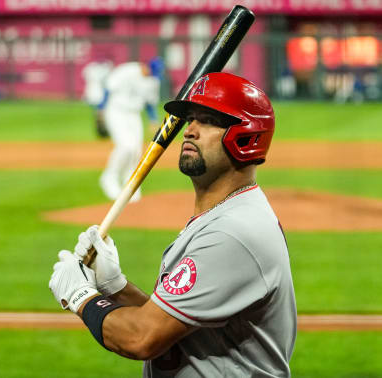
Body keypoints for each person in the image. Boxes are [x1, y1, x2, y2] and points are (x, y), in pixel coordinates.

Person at [49, 72, 297, 377]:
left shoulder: (232, 234)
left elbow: (141, 338)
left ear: (246, 136)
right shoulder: (226, 214)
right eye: (190, 118)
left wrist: (79, 296)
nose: (189, 130)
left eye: (207, 120)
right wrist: (116, 287)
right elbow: (177, 327)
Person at [99, 57, 164, 202]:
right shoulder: (127, 70)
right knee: (126, 146)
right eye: (152, 72)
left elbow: (149, 103)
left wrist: (153, 119)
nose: (153, 75)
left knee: (136, 151)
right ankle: (109, 177)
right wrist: (101, 110)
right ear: (146, 67)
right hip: (116, 110)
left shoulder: (153, 80)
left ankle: (131, 186)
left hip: (134, 114)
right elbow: (109, 88)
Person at [81, 58, 114, 138]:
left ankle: (103, 130)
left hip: (97, 94)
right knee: (100, 114)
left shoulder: (92, 68)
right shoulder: (105, 69)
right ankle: (102, 130)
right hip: (98, 94)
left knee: (101, 114)